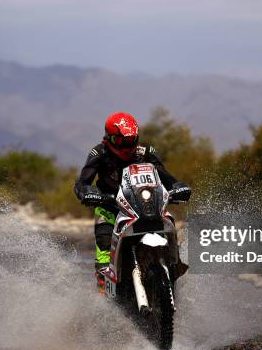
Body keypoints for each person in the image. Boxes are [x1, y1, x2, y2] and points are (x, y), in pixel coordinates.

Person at [74, 111, 191, 291]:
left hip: (145, 206)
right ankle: (103, 288)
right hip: (110, 206)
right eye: (121, 141)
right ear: (110, 138)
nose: (126, 146)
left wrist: (178, 186)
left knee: (169, 219)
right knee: (104, 241)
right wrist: (87, 192)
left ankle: (174, 263)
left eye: (130, 140)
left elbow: (165, 175)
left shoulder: (146, 152)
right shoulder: (99, 152)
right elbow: (82, 182)